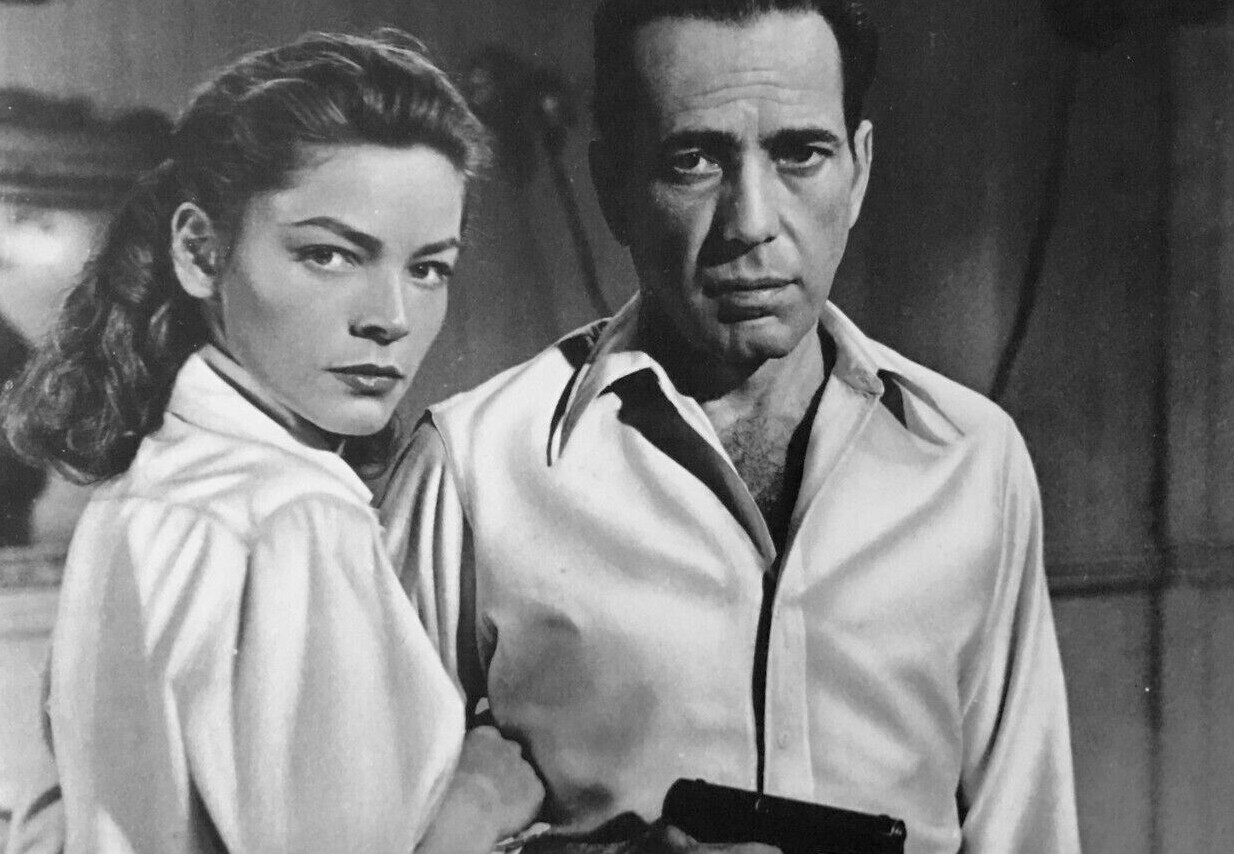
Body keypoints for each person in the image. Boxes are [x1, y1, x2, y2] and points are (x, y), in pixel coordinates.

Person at [380, 1, 1081, 852]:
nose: (751, 222)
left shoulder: (974, 460)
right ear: (612, 189)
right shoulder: (475, 468)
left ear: (858, 171)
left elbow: (1028, 836)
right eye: (694, 160)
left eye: (800, 153)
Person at [1, 31, 543, 854]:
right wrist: (478, 799)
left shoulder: (138, 496)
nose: (392, 317)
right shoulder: (295, 518)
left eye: (428, 268)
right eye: (329, 254)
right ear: (199, 252)